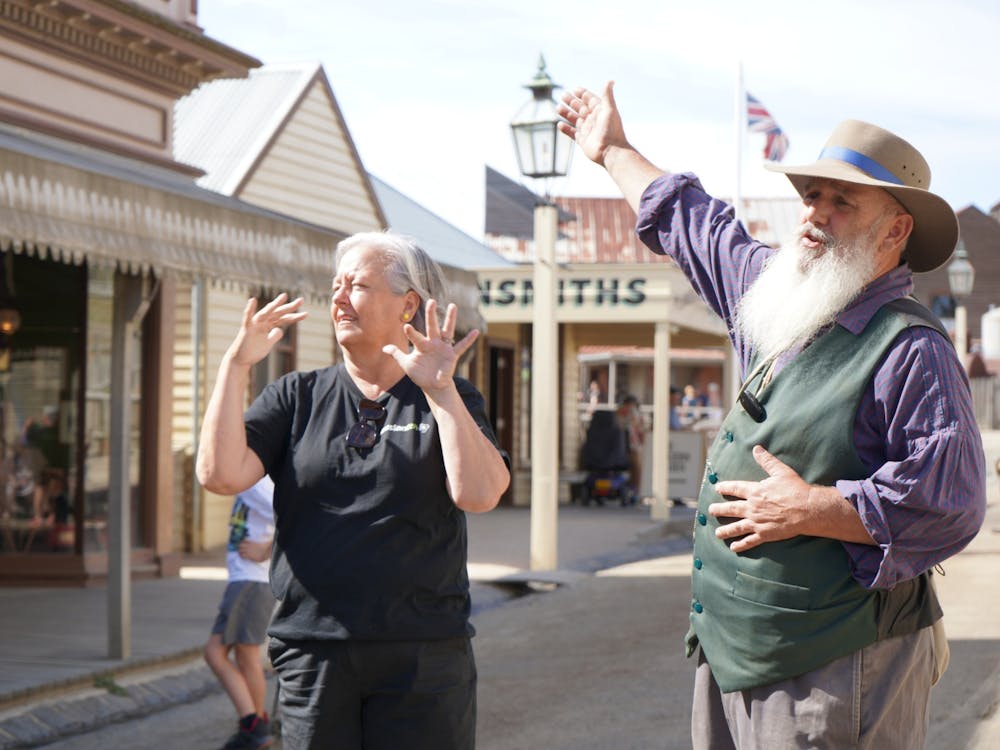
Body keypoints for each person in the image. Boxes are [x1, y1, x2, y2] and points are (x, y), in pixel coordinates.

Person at [559, 82, 986, 749]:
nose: (815, 213)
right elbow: (696, 225)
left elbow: (950, 501)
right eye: (812, 195)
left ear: (896, 229)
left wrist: (814, 508)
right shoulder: (783, 298)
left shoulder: (914, 351)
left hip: (837, 665)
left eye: (843, 201)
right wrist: (613, 150)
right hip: (735, 655)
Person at [196, 231, 510, 750]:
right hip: (314, 651)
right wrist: (235, 366)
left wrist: (441, 392)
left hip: (423, 653)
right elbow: (220, 474)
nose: (338, 298)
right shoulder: (297, 397)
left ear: (408, 303)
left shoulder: (446, 394)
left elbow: (479, 494)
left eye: (357, 285)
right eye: (336, 285)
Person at [204, 475, 276, 750]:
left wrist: (265, 550)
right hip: (247, 581)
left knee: (219, 653)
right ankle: (256, 726)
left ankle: (253, 726)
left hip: (251, 581)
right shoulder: (249, 481)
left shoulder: (255, 482)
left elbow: (292, 517)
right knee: (244, 657)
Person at [616, 395, 645, 504]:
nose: (630, 408)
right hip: (619, 448)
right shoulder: (619, 413)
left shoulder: (637, 416)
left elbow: (641, 433)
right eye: (628, 405)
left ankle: (635, 492)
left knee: (637, 468)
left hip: (633, 447)